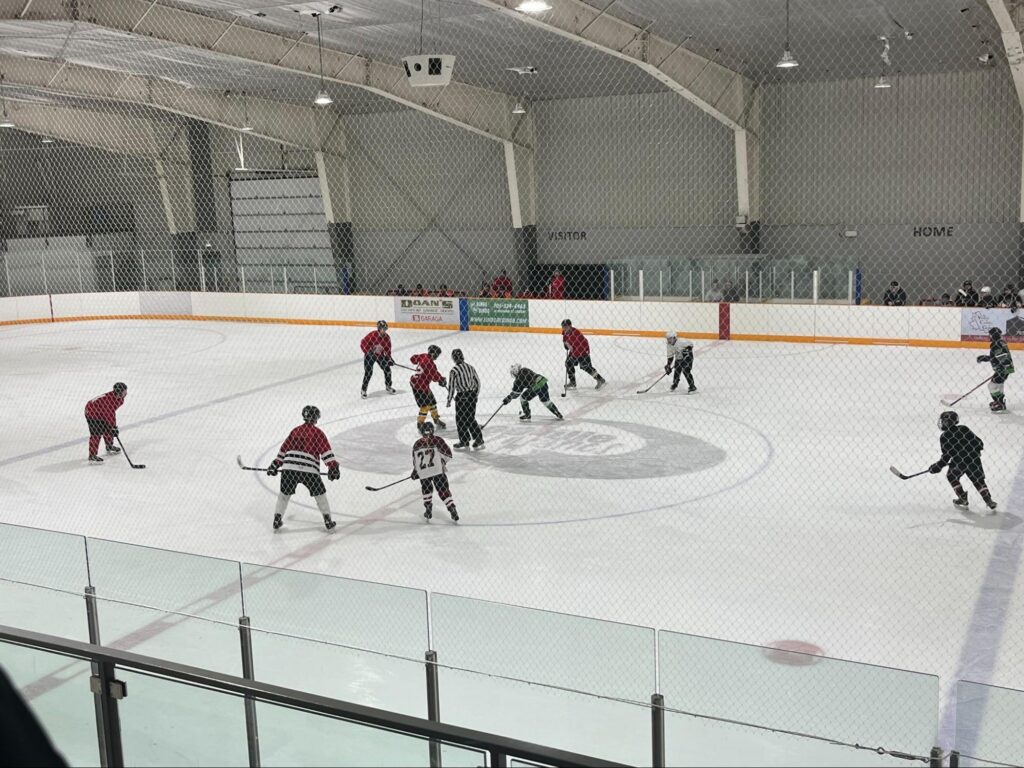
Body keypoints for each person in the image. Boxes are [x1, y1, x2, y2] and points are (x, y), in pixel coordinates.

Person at [267, 405, 340, 531]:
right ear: (316, 418)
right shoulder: (318, 433)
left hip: (289, 469)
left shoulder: (295, 431)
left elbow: (284, 449)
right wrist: (333, 467)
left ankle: (277, 519)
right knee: (320, 494)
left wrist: (275, 464)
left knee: (284, 494)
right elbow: (325, 451)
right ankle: (328, 521)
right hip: (309, 470)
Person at [929, 412, 997, 512]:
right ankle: (988, 500)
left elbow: (946, 456)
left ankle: (962, 497)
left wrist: (938, 466)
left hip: (958, 462)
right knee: (978, 480)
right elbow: (979, 443)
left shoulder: (944, 436)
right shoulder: (964, 429)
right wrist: (972, 451)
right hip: (974, 460)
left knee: (952, 476)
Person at [411, 421, 458, 521]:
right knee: (443, 489)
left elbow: (416, 461)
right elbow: (448, 454)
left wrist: (415, 471)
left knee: (426, 489)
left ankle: (428, 507)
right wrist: (441, 462)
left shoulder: (417, 443)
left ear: (421, 431)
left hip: (424, 473)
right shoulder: (437, 440)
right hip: (438, 471)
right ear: (432, 430)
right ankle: (451, 507)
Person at [447, 348, 484, 449]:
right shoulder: (470, 367)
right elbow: (478, 382)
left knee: (460, 419)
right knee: (470, 418)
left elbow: (451, 386)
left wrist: (449, 399)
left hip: (462, 397)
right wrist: (475, 395)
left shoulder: (454, 370)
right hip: (472, 395)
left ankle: (464, 440)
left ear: (453, 358)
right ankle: (478, 438)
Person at [84, 382, 127, 462]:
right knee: (96, 434)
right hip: (91, 413)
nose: (126, 393)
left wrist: (112, 427)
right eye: (124, 391)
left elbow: (110, 413)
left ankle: (109, 445)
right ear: (120, 392)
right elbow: (110, 414)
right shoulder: (109, 400)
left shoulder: (120, 399)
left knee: (108, 429)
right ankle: (92, 455)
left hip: (102, 412)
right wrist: (113, 427)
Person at [561, 319, 606, 390]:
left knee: (586, 367)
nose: (564, 328)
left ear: (570, 326)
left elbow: (579, 347)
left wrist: (572, 356)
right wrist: (565, 345)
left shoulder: (576, 334)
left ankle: (600, 379)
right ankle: (572, 382)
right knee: (568, 363)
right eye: (563, 327)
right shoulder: (565, 333)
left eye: (566, 326)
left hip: (583, 351)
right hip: (574, 351)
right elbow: (565, 340)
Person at [977, 327, 1014, 412]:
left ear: (993, 335)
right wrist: (986, 358)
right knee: (999, 384)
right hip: (1005, 368)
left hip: (1003, 369)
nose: (989, 336)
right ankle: (1000, 402)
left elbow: (1002, 357)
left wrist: (1001, 369)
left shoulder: (996, 345)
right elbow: (997, 357)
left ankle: (999, 403)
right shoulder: (1001, 342)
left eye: (990, 335)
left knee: (992, 386)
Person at [410, 344, 447, 429]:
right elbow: (435, 377)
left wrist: (420, 365)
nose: (437, 357)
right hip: (420, 387)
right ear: (433, 353)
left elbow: (412, 359)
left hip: (420, 384)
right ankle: (420, 423)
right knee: (425, 406)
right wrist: (441, 380)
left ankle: (436, 418)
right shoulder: (430, 364)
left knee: (432, 402)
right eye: (437, 354)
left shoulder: (424, 356)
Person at [360, 320, 395, 398]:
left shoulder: (387, 338)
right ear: (379, 328)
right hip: (369, 356)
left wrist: (389, 359)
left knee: (387, 370)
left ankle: (388, 386)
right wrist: (367, 352)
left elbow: (388, 350)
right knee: (368, 373)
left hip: (380, 356)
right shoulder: (372, 335)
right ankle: (363, 390)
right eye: (382, 329)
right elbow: (362, 343)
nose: (384, 330)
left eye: (385, 329)